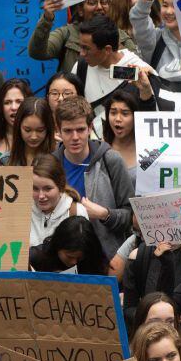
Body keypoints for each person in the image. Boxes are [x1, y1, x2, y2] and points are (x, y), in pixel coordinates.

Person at [52, 96, 133, 258]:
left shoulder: (111, 160)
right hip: (63, 257)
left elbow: (131, 215)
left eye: (80, 130)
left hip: (104, 257)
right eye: (68, 131)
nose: (75, 137)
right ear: (58, 131)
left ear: (90, 128)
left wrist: (104, 214)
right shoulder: (52, 164)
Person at [29, 0, 138, 74]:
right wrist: (47, 19)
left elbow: (134, 73)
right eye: (92, 3)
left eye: (104, 2)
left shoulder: (121, 36)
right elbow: (37, 52)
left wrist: (107, 73)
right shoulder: (67, 33)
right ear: (80, 10)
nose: (100, 7)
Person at [29, 153, 84, 247]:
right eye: (35, 189)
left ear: (60, 186)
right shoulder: (22, 211)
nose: (41, 196)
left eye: (48, 189)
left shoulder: (76, 211)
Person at [29, 215, 108, 275]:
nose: (74, 262)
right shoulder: (36, 256)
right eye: (69, 256)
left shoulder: (94, 259)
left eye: (79, 258)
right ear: (57, 246)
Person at [0, 79, 31, 162]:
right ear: (1, 108)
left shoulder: (38, 138)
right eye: (7, 102)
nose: (13, 107)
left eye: (19, 101)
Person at [8, 97, 55, 167]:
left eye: (40, 130)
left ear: (48, 128)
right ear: (18, 127)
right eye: (27, 130)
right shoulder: (7, 159)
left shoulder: (58, 157)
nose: (34, 137)